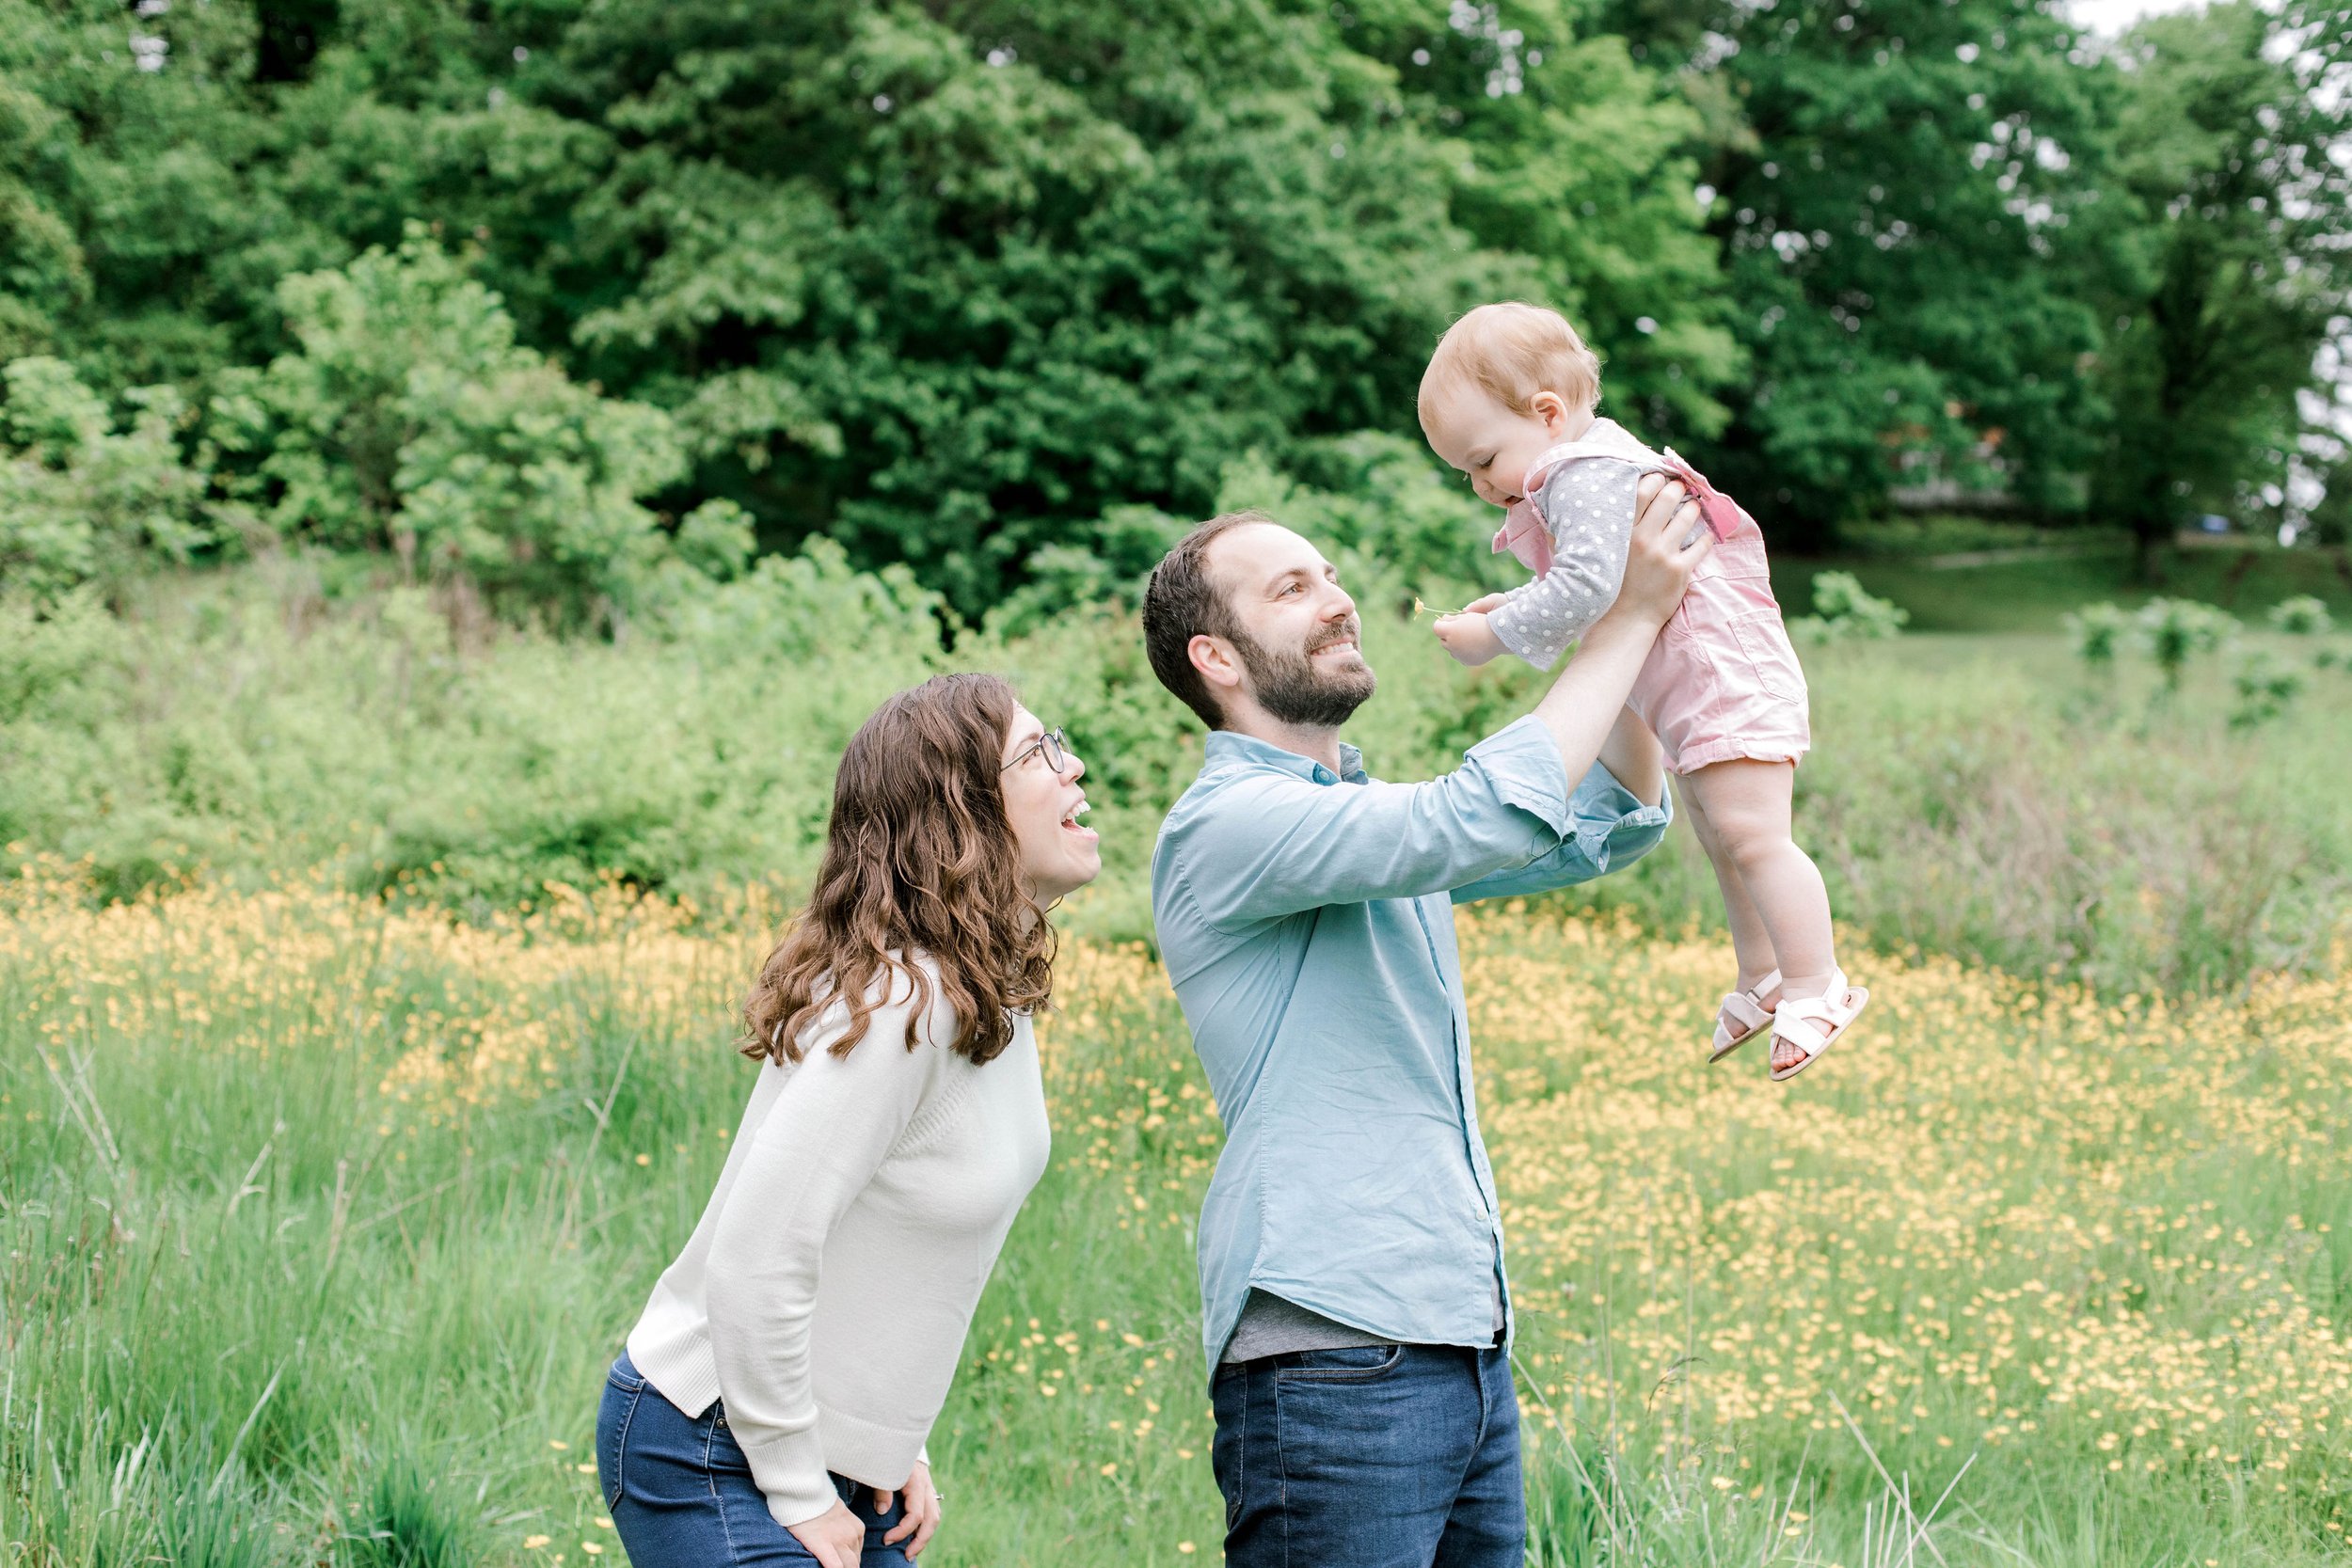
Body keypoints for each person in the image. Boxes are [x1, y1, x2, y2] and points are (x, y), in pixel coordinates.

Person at [1139, 481, 1706, 1567]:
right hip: (1331, 1348)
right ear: (1215, 656)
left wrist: (1610, 623)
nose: (1337, 599)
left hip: (1459, 1342)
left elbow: (1603, 825)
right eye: (1293, 586)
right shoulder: (1231, 824)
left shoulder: (1360, 826)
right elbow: (1483, 811)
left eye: (1333, 574)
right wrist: (1626, 616)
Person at [596, 673, 1100, 1568]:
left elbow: (889, 1250)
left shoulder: (989, 992)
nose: (1075, 766)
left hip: (834, 1454)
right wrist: (796, 1484)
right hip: (709, 1444)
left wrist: (882, 1438)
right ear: (962, 814)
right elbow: (756, 1259)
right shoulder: (908, 1003)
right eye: (1038, 754)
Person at [1419, 301, 1867, 1079]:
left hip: (1721, 668)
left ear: (1548, 413)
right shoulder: (1575, 467)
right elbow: (1594, 582)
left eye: (1482, 459)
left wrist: (1495, 635)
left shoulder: (1582, 471)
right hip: (1689, 677)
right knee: (1722, 834)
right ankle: (1761, 975)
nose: (1479, 484)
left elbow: (1590, 585)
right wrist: (1513, 604)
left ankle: (1815, 980)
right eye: (1464, 471)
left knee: (1754, 835)